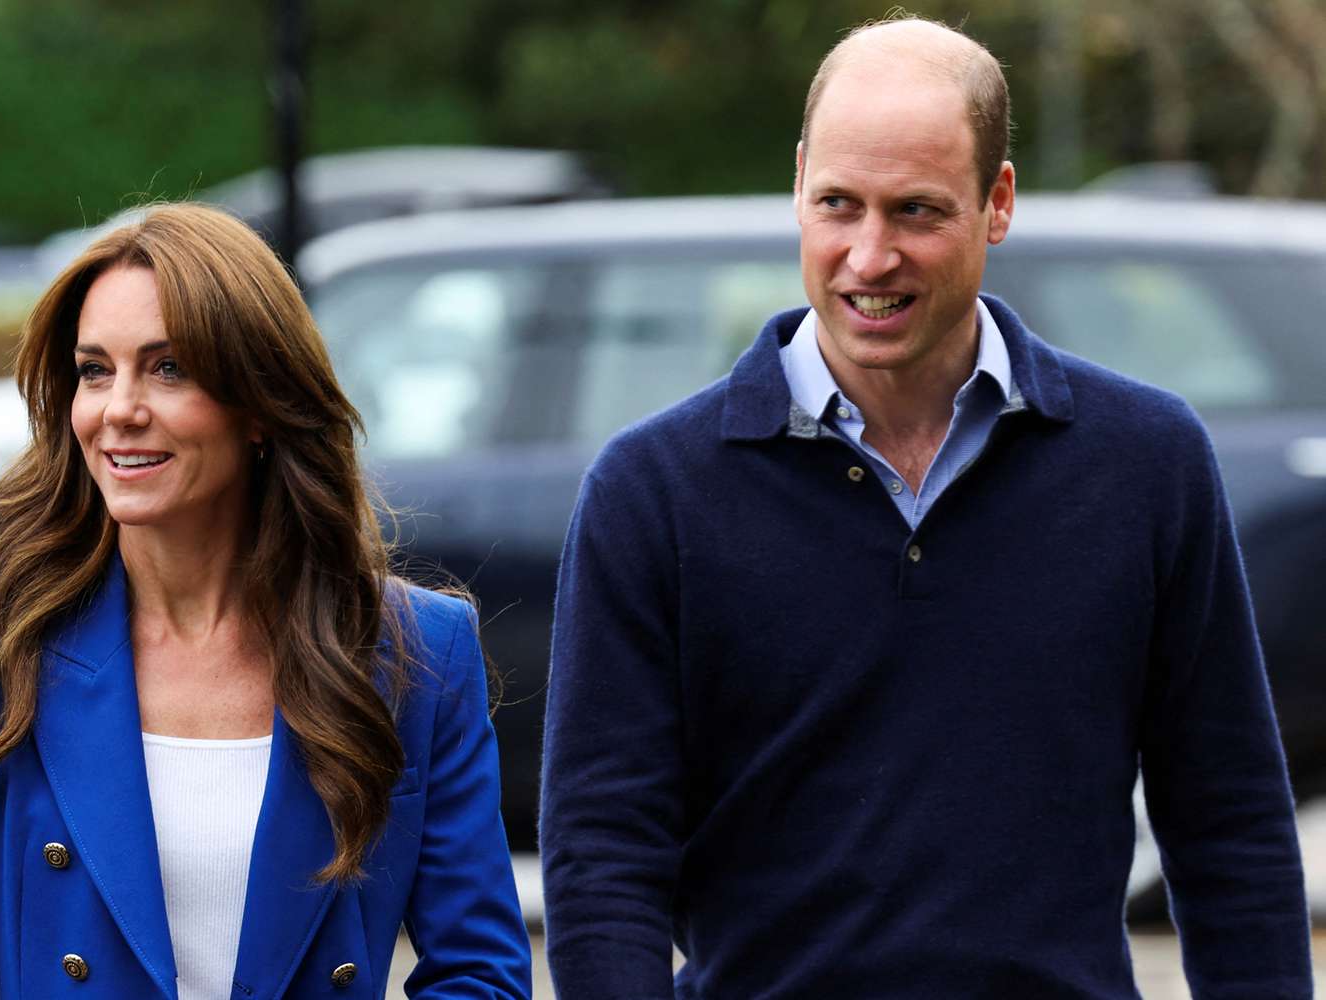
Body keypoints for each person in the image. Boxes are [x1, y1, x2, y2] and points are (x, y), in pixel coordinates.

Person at [541, 16, 1313, 999]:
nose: (870, 256)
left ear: (998, 202)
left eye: (915, 211)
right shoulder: (651, 490)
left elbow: (1230, 823)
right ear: (797, 185)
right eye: (838, 205)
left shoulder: (1146, 464)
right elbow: (603, 848)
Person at [0, 204, 532, 999]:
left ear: (259, 404)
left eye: (168, 368)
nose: (118, 409)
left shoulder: (414, 649)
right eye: (93, 370)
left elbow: (480, 974)